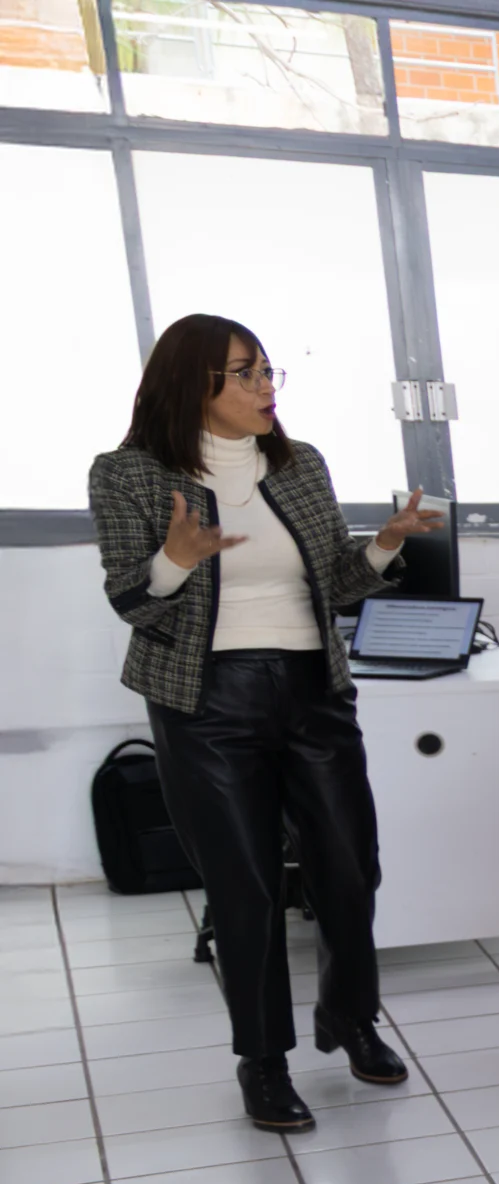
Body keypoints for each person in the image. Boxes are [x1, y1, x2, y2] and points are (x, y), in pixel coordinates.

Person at [88, 313, 441, 1134]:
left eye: (269, 371)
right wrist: (177, 558)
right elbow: (130, 600)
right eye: (245, 374)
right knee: (244, 889)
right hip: (206, 703)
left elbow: (336, 583)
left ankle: (351, 1018)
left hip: (312, 690)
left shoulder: (300, 465)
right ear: (191, 384)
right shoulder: (129, 474)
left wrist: (384, 545)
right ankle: (264, 1062)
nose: (265, 388)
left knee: (350, 868)